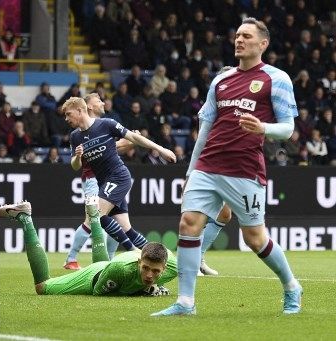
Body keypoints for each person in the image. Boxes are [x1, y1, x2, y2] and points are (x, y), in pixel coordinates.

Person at [152, 18, 302, 317]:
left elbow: (287, 129)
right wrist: (191, 171)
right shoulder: (220, 81)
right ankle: (185, 302)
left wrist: (263, 128)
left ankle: (291, 285)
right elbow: (205, 130)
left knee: (254, 238)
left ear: (263, 43)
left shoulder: (277, 78)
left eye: (247, 36)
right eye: (237, 35)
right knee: (188, 224)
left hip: (244, 169)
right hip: (208, 165)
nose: (239, 40)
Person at [62, 97, 176, 261]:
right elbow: (74, 166)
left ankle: (131, 252)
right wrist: (78, 157)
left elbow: (134, 138)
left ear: (80, 110)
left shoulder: (106, 124)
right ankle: (161, 257)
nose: (66, 119)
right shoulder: (75, 137)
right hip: (104, 183)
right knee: (126, 228)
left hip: (118, 176)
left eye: (68, 114)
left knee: (96, 215)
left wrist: (161, 149)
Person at [0, 200, 178, 296]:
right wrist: (145, 290)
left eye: (155, 272)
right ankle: (25, 217)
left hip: (109, 268)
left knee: (108, 267)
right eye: (145, 268)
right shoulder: (120, 270)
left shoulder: (173, 267)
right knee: (42, 287)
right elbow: (99, 291)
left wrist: (157, 285)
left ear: (164, 267)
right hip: (93, 278)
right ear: (139, 261)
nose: (149, 275)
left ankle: (94, 215)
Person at [64, 93, 131, 270]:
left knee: (116, 221)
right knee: (92, 219)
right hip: (94, 178)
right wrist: (128, 140)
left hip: (110, 178)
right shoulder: (82, 131)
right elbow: (101, 147)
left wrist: (127, 140)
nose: (103, 103)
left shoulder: (103, 125)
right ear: (89, 106)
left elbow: (109, 148)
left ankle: (108, 262)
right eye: (98, 101)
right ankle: (71, 258)